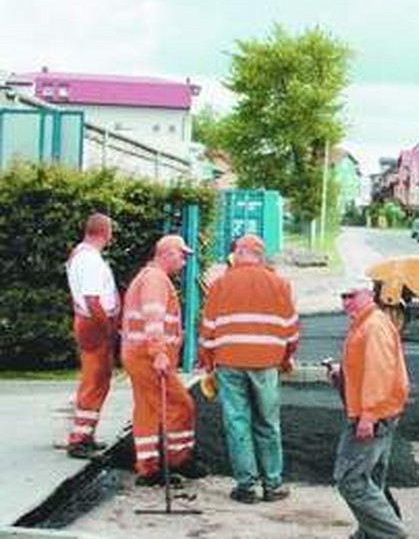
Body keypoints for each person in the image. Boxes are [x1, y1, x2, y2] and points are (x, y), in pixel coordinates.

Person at [200, 234, 298, 504]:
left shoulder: (220, 285)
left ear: (238, 254)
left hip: (229, 363)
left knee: (237, 423)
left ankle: (246, 487)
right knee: (267, 423)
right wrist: (286, 358)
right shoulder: (279, 284)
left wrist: (209, 364)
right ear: (261, 256)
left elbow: (207, 331)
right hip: (266, 364)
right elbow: (291, 332)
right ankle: (273, 484)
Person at [122, 234, 206, 485]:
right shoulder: (156, 280)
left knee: (147, 409)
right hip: (149, 356)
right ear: (167, 254)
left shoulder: (149, 278)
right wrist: (158, 351)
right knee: (181, 405)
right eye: (182, 256)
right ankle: (178, 458)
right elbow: (153, 316)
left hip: (139, 354)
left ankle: (148, 467)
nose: (183, 262)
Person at [331, 278, 410, 539]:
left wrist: (368, 415)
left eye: (351, 295)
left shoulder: (373, 327)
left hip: (374, 416)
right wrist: (340, 375)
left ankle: (391, 534)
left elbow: (379, 372)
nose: (345, 302)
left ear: (368, 294)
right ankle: (369, 535)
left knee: (352, 480)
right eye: (343, 296)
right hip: (380, 413)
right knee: (371, 479)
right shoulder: (365, 323)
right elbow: (364, 367)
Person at [65, 213, 121, 459]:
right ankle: (79, 438)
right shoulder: (89, 260)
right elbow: (92, 299)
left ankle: (86, 433)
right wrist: (108, 328)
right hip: (94, 324)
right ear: (105, 232)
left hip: (88, 321)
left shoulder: (81, 256)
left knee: (96, 380)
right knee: (95, 380)